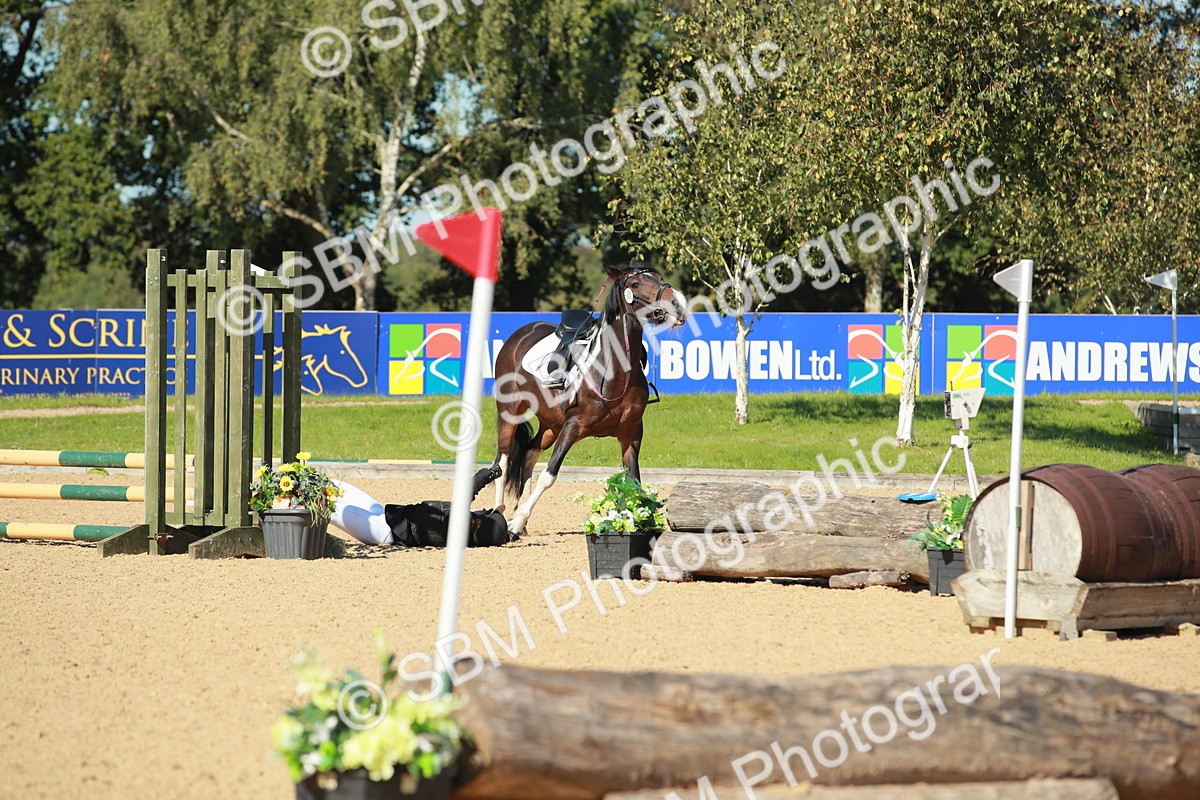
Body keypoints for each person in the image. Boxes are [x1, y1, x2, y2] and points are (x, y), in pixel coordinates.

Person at [330, 465, 511, 547]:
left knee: (329, 504)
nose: (482, 510)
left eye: (485, 513)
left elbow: (466, 492)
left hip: (381, 530)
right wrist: (508, 534)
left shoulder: (458, 526)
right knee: (334, 485)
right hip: (384, 514)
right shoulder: (465, 531)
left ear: (480, 523)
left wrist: (487, 474)